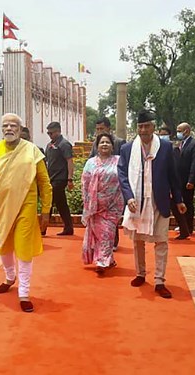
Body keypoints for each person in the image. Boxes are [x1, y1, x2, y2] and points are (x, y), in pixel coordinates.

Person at [0, 113, 52, 313]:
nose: (9, 129)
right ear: (1, 129)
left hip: (25, 207)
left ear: (20, 130)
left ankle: (24, 292)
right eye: (5, 126)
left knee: (23, 249)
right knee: (3, 245)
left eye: (13, 126)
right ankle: (10, 276)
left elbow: (44, 183)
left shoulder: (32, 152)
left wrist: (45, 210)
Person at [118, 110, 185, 299]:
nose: (144, 130)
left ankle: (159, 280)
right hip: (136, 202)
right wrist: (129, 197)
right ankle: (140, 273)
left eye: (147, 126)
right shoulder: (128, 148)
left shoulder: (165, 147)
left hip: (160, 202)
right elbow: (122, 174)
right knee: (137, 240)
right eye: (140, 126)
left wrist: (178, 200)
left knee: (161, 241)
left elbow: (173, 176)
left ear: (153, 127)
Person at [81, 133, 125, 275]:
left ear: (112, 146)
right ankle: (107, 260)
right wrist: (87, 202)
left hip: (113, 205)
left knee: (107, 233)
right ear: (97, 146)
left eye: (107, 142)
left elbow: (125, 180)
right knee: (99, 235)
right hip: (95, 206)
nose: (104, 144)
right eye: (102, 142)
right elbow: (85, 183)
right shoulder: (91, 163)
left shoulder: (119, 161)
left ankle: (102, 261)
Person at [89, 116, 126, 251]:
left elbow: (124, 164)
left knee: (111, 219)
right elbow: (91, 160)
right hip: (98, 189)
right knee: (98, 219)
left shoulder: (119, 142)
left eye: (102, 129)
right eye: (97, 129)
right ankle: (99, 244)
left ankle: (112, 242)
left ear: (108, 129)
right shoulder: (96, 143)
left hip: (115, 189)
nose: (99, 131)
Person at [172, 122, 195, 240]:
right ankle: (183, 225)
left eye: (180, 130)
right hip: (179, 180)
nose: (178, 133)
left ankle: (189, 227)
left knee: (188, 203)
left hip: (188, 180)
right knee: (180, 202)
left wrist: (191, 180)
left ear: (187, 131)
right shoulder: (181, 144)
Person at [44, 121, 75, 236]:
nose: (49, 135)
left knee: (50, 202)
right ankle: (68, 227)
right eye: (48, 133)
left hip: (60, 179)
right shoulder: (49, 145)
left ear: (58, 131)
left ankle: (43, 227)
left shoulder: (64, 144)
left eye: (51, 133)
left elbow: (69, 161)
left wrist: (70, 179)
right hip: (51, 178)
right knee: (61, 204)